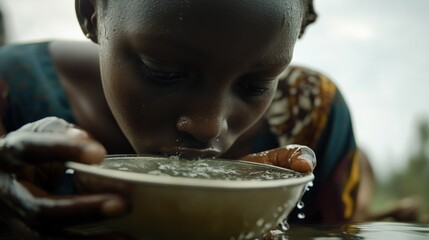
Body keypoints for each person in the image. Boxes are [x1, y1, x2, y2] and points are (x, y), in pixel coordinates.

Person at [0, 0, 364, 238]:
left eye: (256, 85)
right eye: (163, 72)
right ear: (92, 13)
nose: (209, 126)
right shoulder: (9, 99)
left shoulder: (312, 115)